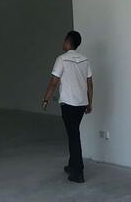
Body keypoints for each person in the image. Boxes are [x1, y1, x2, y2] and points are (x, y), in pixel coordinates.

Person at [42, 30, 93, 183]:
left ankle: (78, 172)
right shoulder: (85, 60)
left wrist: (46, 99)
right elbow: (90, 83)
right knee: (73, 132)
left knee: (73, 135)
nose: (63, 42)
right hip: (81, 103)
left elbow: (53, 82)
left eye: (64, 40)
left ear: (68, 42)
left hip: (68, 104)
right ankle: (72, 165)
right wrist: (90, 102)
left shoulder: (61, 59)